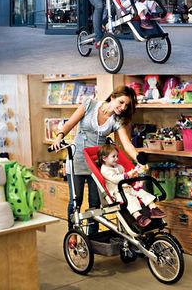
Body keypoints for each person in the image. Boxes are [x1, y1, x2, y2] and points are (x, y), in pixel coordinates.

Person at [51, 85, 148, 234]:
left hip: (97, 165)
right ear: (113, 97)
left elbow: (126, 144)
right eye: (121, 102)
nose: (123, 107)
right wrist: (59, 137)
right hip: (77, 159)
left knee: (95, 203)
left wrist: (139, 159)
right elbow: (70, 124)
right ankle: (72, 233)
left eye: (126, 105)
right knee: (75, 202)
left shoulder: (117, 120)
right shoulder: (89, 104)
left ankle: (93, 236)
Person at [98, 144, 166, 228]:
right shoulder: (105, 170)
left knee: (142, 192)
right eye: (113, 156)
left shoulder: (118, 166)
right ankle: (138, 216)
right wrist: (126, 176)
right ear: (104, 158)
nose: (117, 158)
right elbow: (115, 179)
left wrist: (134, 172)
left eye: (117, 156)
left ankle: (153, 209)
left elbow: (125, 174)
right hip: (117, 192)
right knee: (130, 199)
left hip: (126, 188)